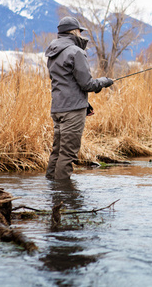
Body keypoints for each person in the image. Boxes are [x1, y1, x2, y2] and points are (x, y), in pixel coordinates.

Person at [45, 16, 114, 180]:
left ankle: (52, 190)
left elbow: (63, 80)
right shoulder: (76, 52)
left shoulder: (53, 52)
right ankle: (63, 195)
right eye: (79, 31)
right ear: (74, 31)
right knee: (68, 153)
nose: (81, 34)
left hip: (57, 108)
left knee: (58, 150)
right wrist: (104, 81)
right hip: (73, 110)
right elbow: (87, 84)